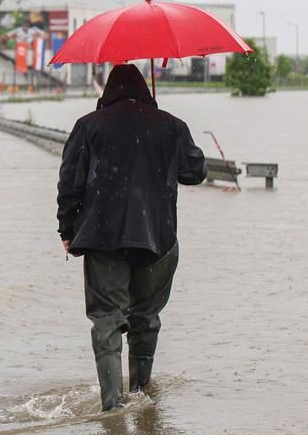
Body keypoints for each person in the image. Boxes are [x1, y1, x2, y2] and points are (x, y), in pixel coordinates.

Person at [56, 63, 207, 411]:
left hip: (103, 239)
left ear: (107, 91)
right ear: (144, 89)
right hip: (158, 238)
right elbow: (195, 172)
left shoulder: (88, 127)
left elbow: (69, 184)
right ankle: (142, 392)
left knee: (107, 320)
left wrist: (67, 230)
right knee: (145, 318)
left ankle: (113, 406)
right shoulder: (171, 125)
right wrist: (169, 132)